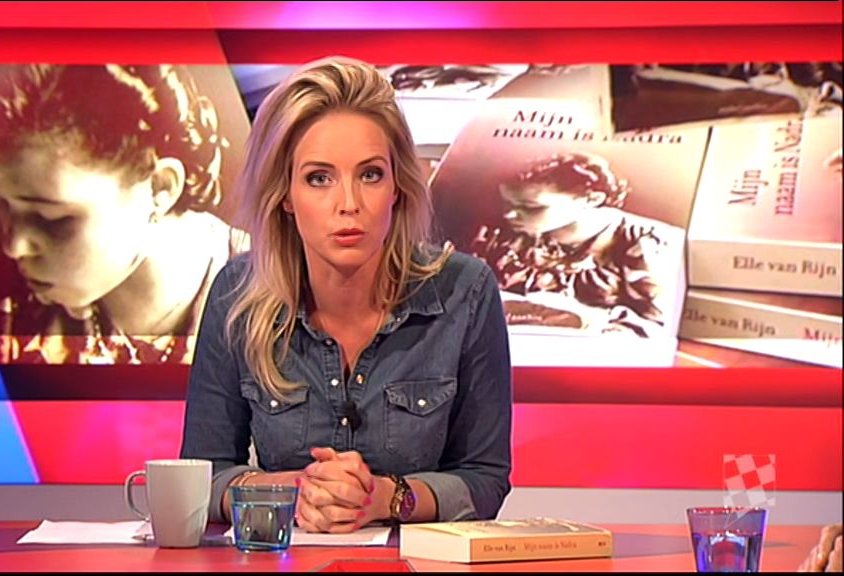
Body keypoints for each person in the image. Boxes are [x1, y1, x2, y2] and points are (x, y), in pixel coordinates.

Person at [180, 56, 512, 533]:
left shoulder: (466, 291)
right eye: (319, 178)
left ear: (397, 186)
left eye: (370, 175)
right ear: (285, 194)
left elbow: (484, 480)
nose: (349, 204)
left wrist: (385, 497)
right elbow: (203, 477)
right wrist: (294, 491)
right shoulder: (238, 294)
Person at [0, 64, 246, 364]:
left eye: (50, 218)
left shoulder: (273, 294)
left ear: (159, 187)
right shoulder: (2, 316)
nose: (13, 246)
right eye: (2, 204)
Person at [468, 151, 681, 338]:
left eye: (530, 207)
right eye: (507, 202)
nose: (509, 214)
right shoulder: (499, 233)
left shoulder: (649, 243)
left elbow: (655, 327)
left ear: (591, 200)